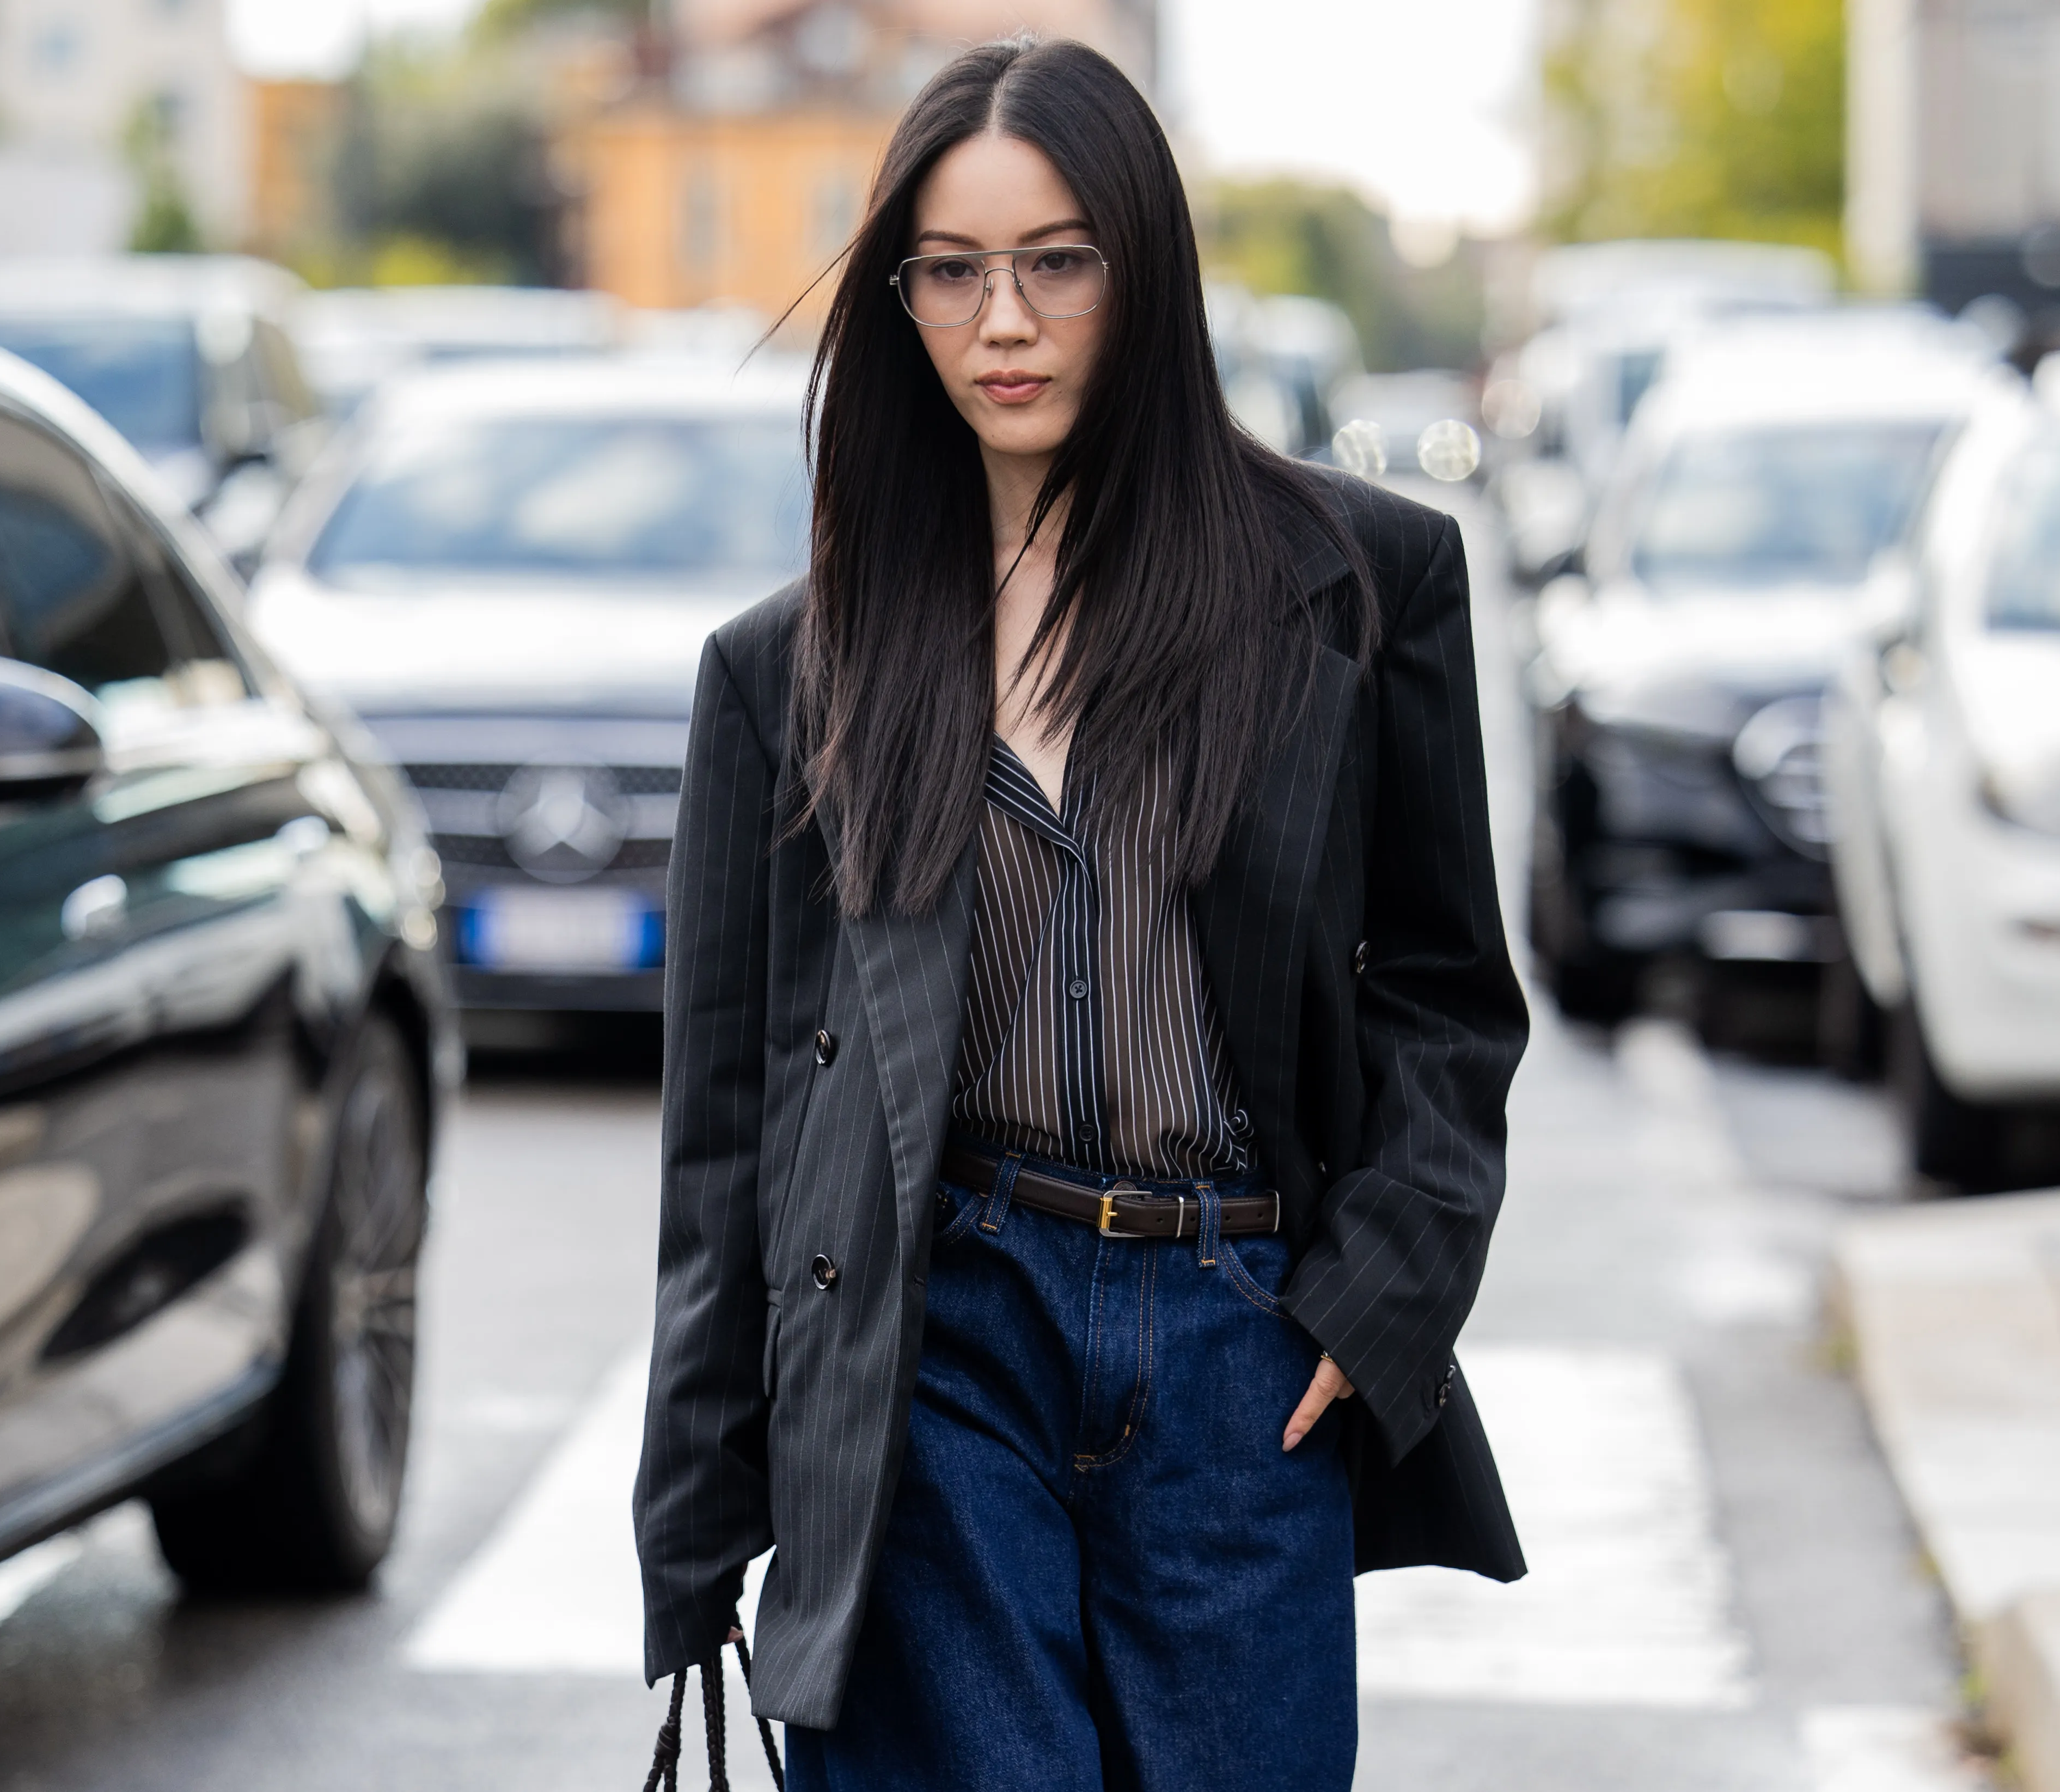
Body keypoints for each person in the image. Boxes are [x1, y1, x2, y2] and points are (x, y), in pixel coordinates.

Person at [633, 35, 1529, 1790]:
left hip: (1235, 1343)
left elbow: (1446, 991)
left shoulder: (1356, 586)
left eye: (1056, 261)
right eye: (953, 272)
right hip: (937, 1343)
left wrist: (1375, 1300)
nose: (1006, 321)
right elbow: (726, 1136)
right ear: (901, 301)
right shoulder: (788, 671)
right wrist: (693, 1532)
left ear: (1145, 268)